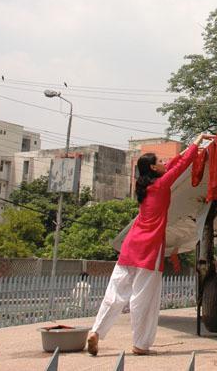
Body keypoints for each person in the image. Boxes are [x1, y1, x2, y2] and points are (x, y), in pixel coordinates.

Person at [87, 134, 209, 356]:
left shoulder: (144, 187)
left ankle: (96, 331)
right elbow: (179, 168)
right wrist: (197, 142)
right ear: (153, 168)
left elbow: (173, 164)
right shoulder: (162, 185)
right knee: (144, 300)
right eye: (159, 162)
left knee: (115, 294)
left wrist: (188, 149)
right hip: (150, 250)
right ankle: (140, 344)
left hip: (130, 247)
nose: (164, 164)